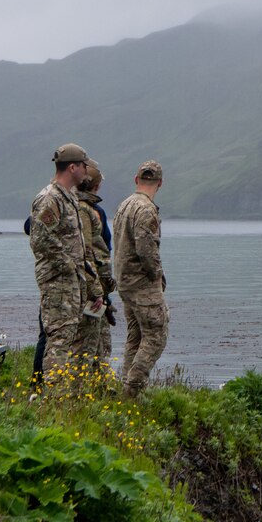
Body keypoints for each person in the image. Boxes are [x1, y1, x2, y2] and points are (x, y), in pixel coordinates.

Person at [28, 144, 98, 381]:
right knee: (58, 338)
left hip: (71, 281)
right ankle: (52, 395)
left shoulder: (69, 198)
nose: (87, 170)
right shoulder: (50, 198)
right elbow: (39, 239)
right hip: (58, 282)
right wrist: (67, 264)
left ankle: (59, 392)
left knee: (66, 336)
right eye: (84, 165)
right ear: (72, 167)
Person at [113, 160, 169, 397]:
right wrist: (158, 276)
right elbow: (146, 250)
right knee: (156, 335)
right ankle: (132, 389)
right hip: (142, 285)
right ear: (160, 183)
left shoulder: (124, 205)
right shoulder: (146, 210)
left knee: (135, 337)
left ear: (136, 180)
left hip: (125, 282)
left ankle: (125, 383)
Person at [76, 159, 118, 371]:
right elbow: (89, 252)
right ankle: (84, 388)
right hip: (91, 287)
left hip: (94, 286)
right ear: (96, 185)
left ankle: (100, 384)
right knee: (90, 344)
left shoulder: (81, 208)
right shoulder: (87, 211)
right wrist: (98, 289)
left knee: (100, 343)